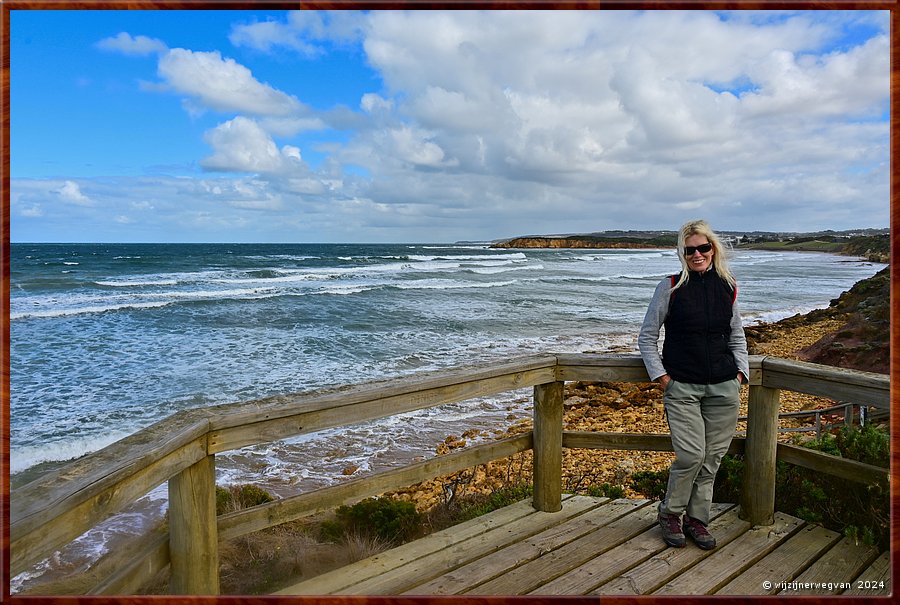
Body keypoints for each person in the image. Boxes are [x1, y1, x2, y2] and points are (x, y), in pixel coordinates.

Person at [638, 219, 749, 550]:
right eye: (690, 250)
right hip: (682, 387)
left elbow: (736, 333)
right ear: (682, 253)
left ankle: (697, 520)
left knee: (712, 458)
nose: (697, 254)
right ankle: (670, 513)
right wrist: (662, 377)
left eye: (703, 248)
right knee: (690, 455)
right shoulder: (670, 287)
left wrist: (741, 373)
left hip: (724, 387)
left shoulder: (727, 286)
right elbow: (647, 336)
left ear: (713, 249)